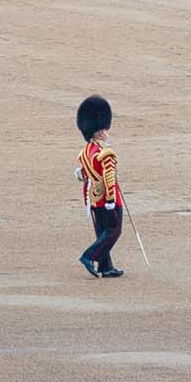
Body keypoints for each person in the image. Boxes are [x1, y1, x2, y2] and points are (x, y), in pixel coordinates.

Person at [76, 95, 124, 278]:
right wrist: (111, 200)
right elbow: (109, 177)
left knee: (102, 231)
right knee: (114, 230)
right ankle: (89, 256)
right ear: (101, 131)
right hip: (107, 197)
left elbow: (82, 173)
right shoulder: (105, 152)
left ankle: (105, 266)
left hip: (92, 197)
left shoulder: (86, 151)